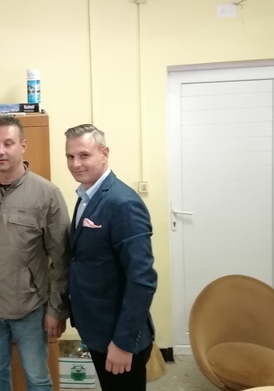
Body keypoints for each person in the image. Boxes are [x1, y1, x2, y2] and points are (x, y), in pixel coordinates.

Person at [0, 116, 70, 391]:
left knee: (37, 378)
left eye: (8, 143)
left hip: (30, 308)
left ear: (23, 146)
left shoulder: (47, 194)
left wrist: (57, 310)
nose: (0, 151)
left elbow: (62, 259)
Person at [64, 124, 157, 391]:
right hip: (97, 328)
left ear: (104, 153)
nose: (75, 164)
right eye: (70, 156)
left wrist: (123, 343)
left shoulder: (122, 203)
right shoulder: (86, 196)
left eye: (84, 155)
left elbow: (142, 279)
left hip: (118, 335)